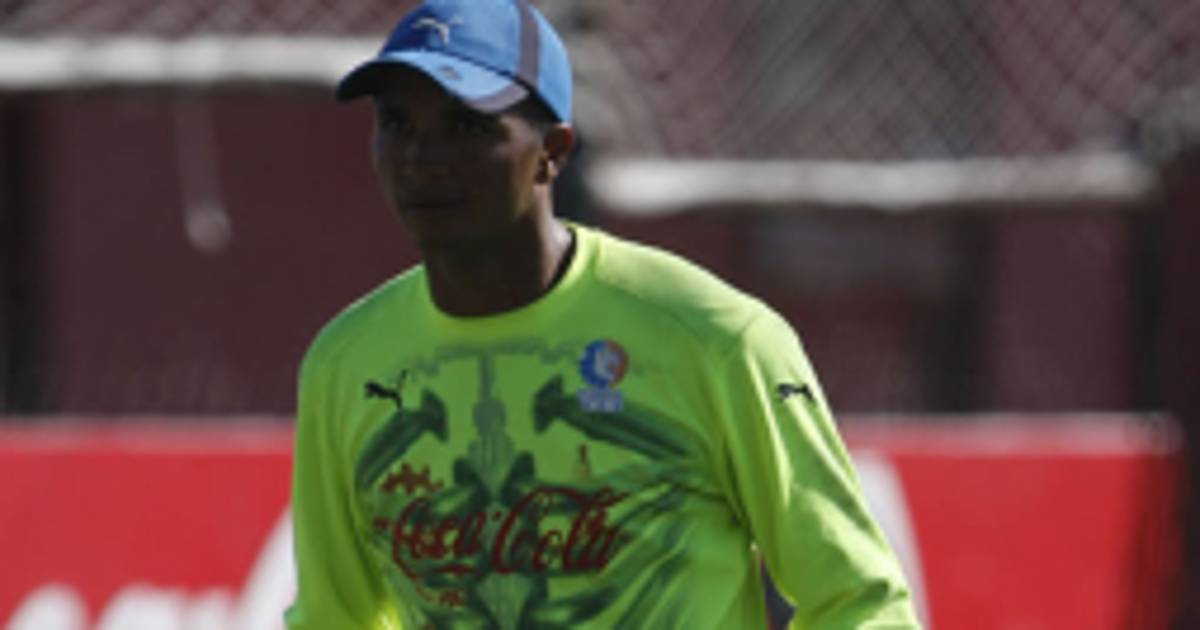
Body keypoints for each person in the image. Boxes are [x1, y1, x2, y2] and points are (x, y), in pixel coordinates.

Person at [285, 0, 921, 628]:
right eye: (397, 123)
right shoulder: (345, 364)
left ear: (553, 150)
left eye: (468, 127)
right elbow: (332, 619)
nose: (423, 158)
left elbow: (862, 602)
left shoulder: (716, 338)